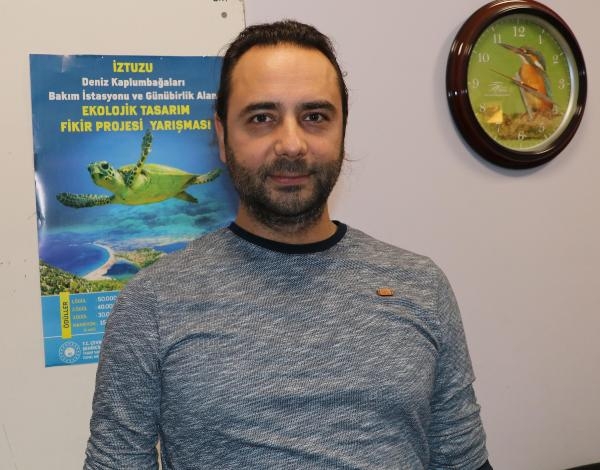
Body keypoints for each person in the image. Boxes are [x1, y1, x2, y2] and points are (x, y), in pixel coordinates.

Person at [84, 20, 492, 470]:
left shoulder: (420, 286)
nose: (292, 144)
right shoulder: (151, 304)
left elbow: (463, 462)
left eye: (315, 117)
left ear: (342, 131)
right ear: (222, 137)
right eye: (262, 118)